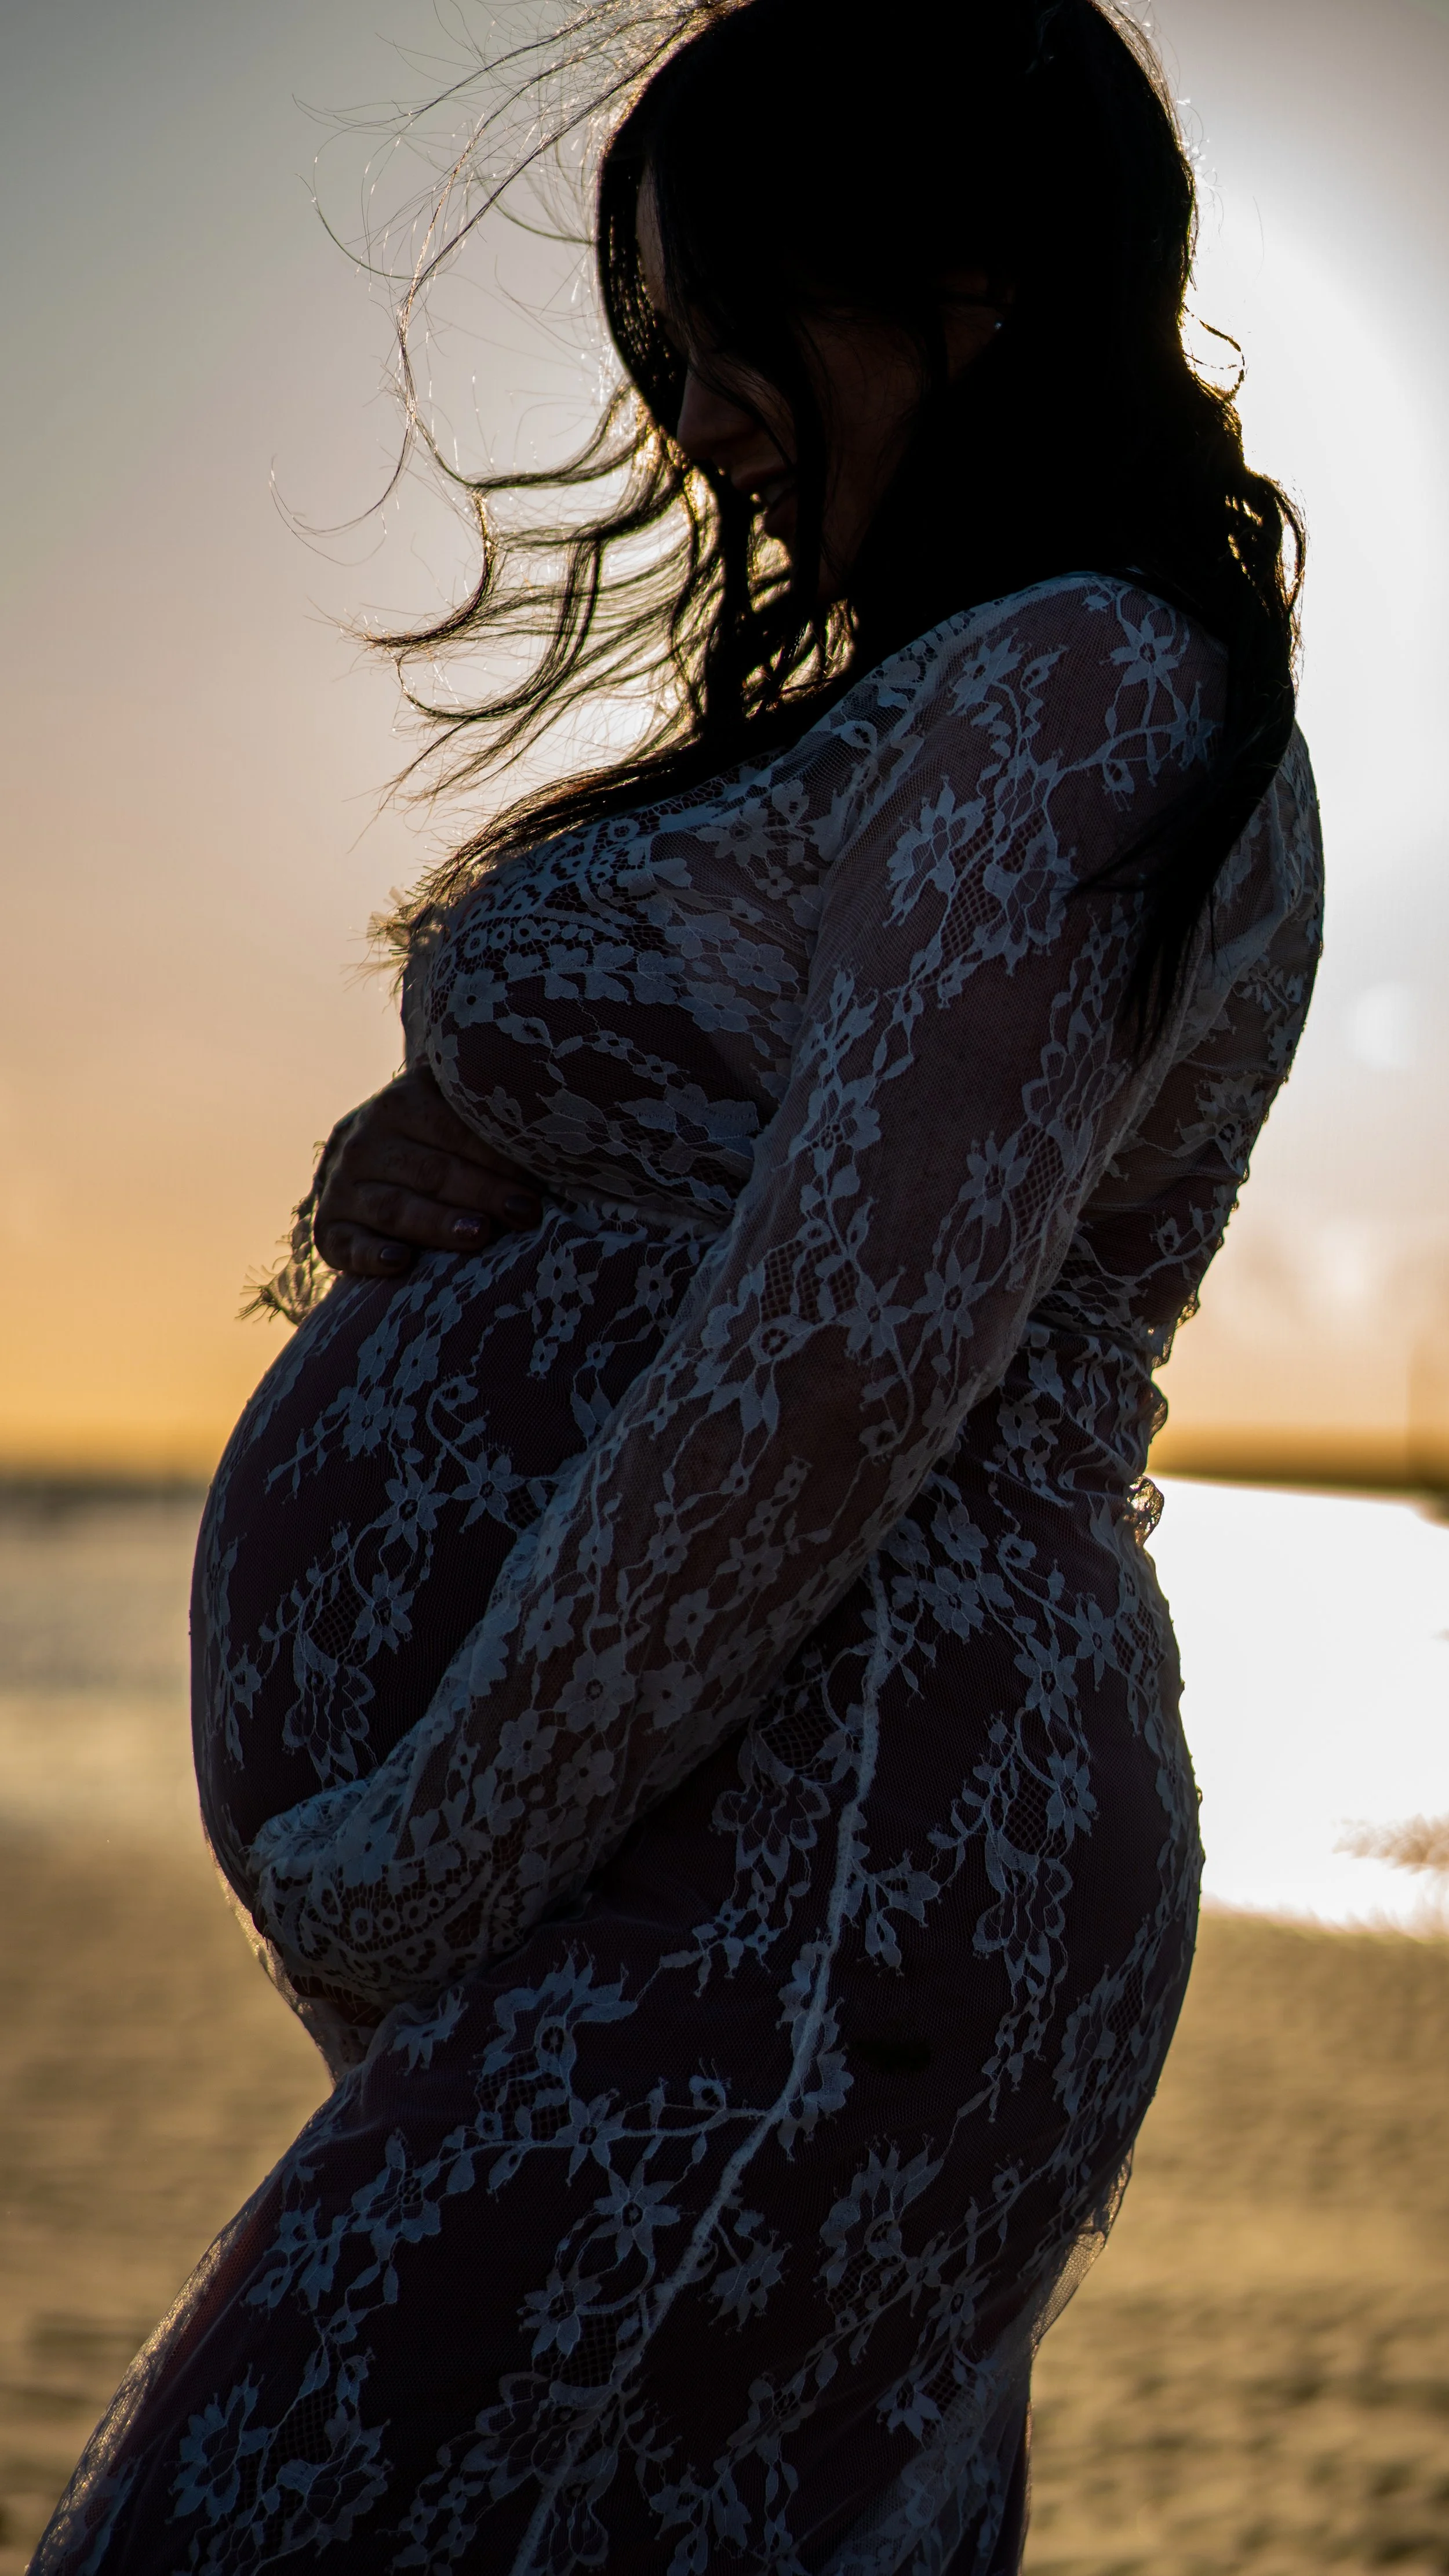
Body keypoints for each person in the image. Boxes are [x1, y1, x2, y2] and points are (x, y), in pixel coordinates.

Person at [33, 0, 1321, 2566]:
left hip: (811, 1866)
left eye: (739, 333)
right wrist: (443, 1141)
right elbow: (796, 1177)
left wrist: (415, 1859)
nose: (702, 417)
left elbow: (845, 1352)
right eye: (669, 352)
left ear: (965, 293)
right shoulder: (975, 696)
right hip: (744, 1856)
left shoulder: (1076, 685)